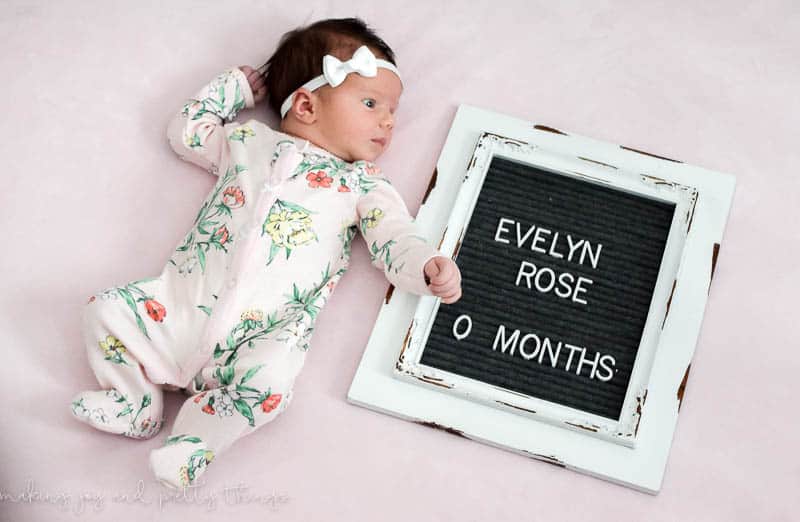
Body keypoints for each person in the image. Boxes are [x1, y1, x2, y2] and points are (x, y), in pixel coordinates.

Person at [69, 17, 462, 489]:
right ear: (305, 103)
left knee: (272, 386)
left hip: (260, 338)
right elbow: (188, 131)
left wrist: (425, 265)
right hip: (173, 311)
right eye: (371, 103)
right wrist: (234, 89)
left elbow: (394, 237)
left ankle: (195, 442)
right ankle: (135, 403)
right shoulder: (246, 143)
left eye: (393, 111)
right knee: (106, 310)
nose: (388, 121)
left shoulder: (362, 184)